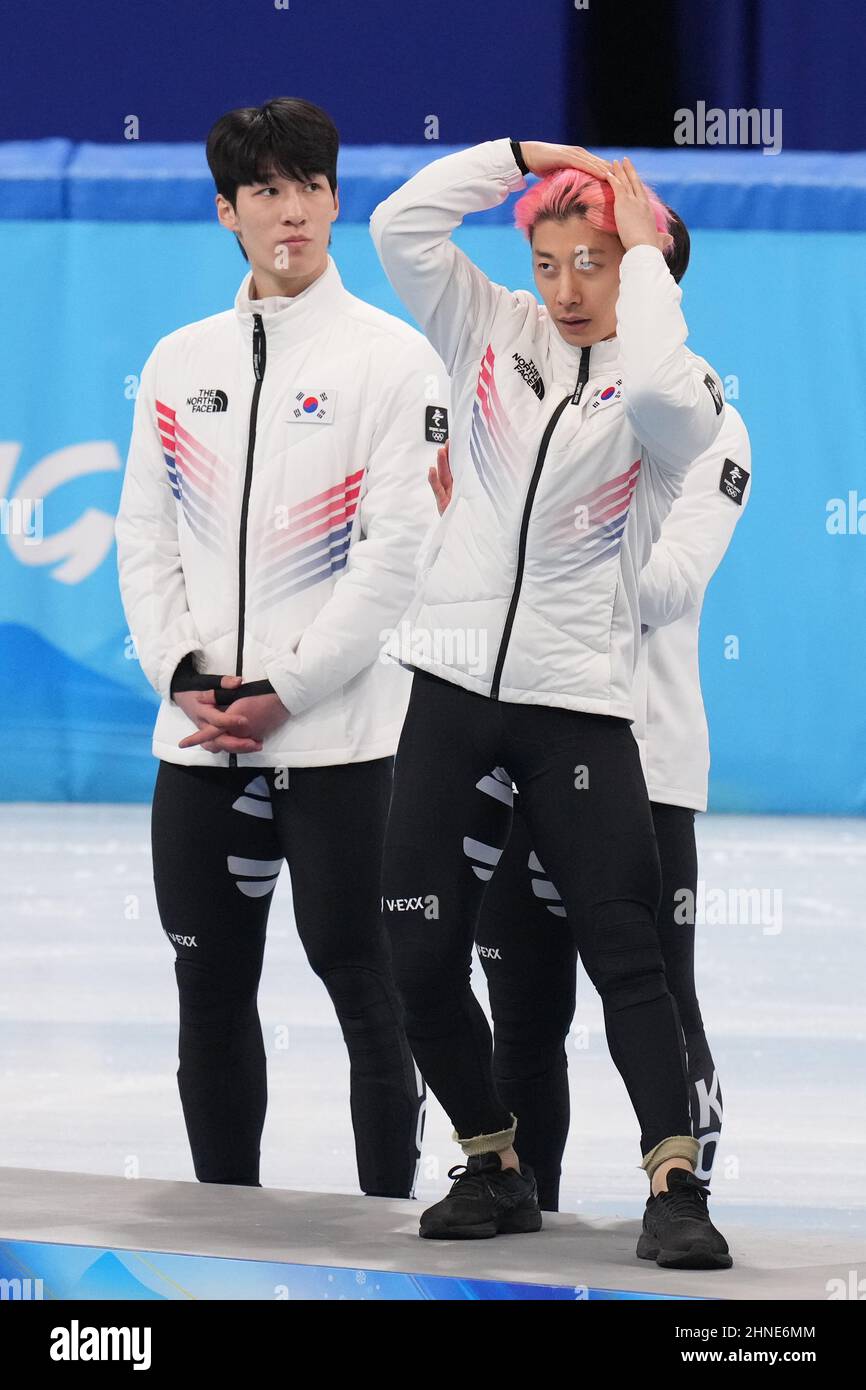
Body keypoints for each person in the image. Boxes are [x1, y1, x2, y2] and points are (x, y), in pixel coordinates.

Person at [370, 138, 732, 1267]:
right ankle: (492, 1158)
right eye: (548, 262)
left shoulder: (676, 390)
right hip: (450, 684)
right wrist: (519, 154)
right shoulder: (487, 329)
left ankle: (673, 1185)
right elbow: (397, 228)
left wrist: (641, 259)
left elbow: (670, 394)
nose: (568, 289)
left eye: (595, 262)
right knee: (415, 949)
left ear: (631, 266)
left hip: (576, 702)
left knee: (625, 957)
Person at [115, 97, 446, 1197]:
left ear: (336, 200)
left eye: (307, 186)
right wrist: (187, 676)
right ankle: (223, 1229)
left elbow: (395, 559)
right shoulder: (176, 361)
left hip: (343, 740)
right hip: (200, 736)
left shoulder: (393, 362)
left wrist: (288, 688)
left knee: (367, 983)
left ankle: (394, 1237)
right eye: (264, 189)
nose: (288, 209)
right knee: (207, 987)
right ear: (227, 211)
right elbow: (143, 532)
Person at [429, 394, 751, 1225]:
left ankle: (683, 1201)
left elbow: (668, 587)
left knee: (659, 995)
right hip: (514, 751)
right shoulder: (528, 386)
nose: (574, 279)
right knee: (523, 1013)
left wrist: (520, 551)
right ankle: (519, 1211)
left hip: (644, 760)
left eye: (605, 259)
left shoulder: (706, 417)